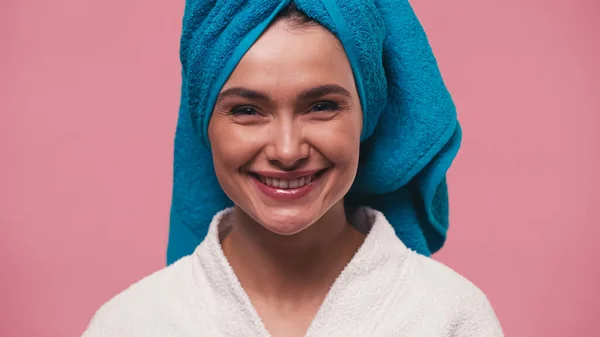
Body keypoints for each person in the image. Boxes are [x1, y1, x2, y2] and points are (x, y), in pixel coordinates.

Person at [83, 1, 504, 336]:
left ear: (366, 117)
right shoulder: (130, 325)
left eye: (321, 106)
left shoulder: (451, 319)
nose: (287, 151)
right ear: (205, 124)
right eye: (247, 110)